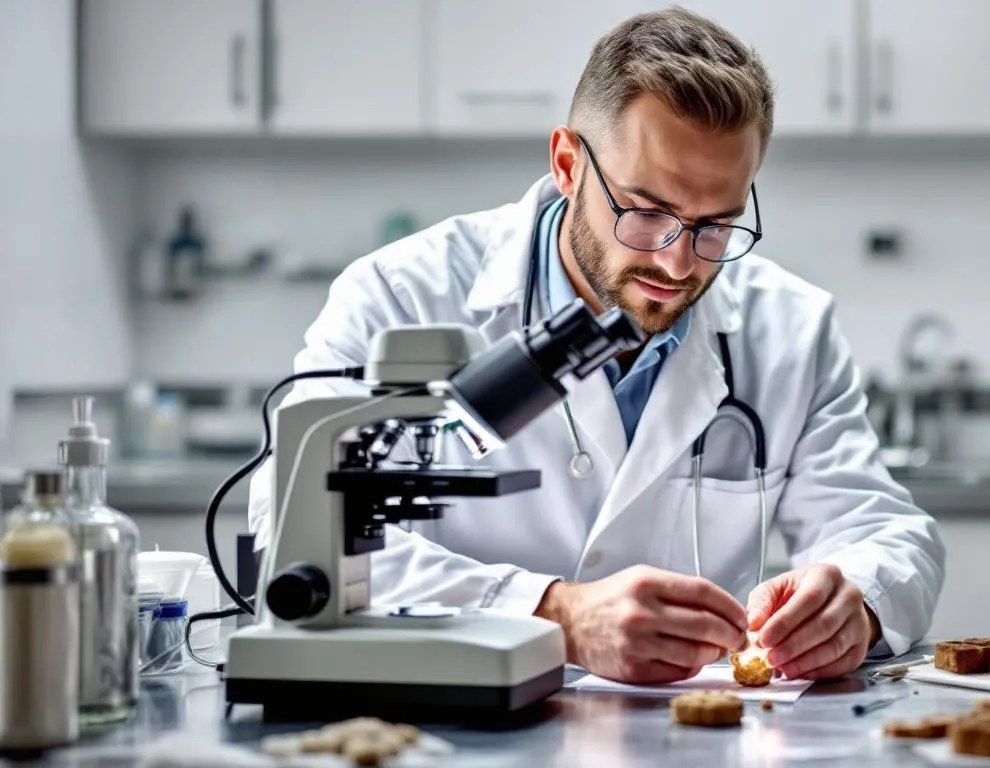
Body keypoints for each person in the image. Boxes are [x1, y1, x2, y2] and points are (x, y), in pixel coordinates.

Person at [248, 7, 944, 685]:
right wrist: (556, 615)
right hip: (448, 729)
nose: (678, 265)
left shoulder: (791, 327)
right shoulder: (398, 295)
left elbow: (887, 530)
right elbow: (292, 525)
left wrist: (855, 602)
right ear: (567, 164)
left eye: (716, 226)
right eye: (646, 214)